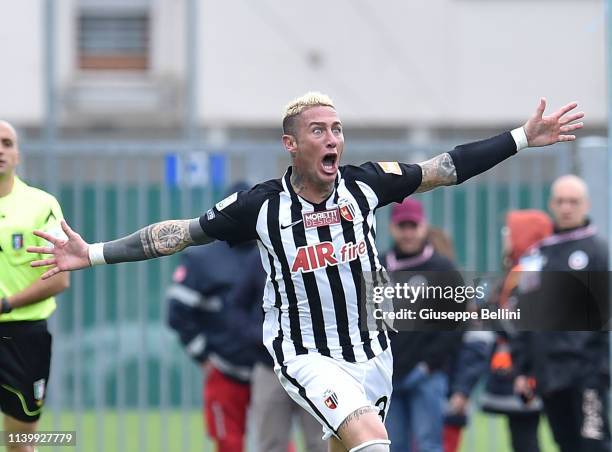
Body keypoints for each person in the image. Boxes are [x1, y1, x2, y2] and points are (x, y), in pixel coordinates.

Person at [27, 93, 583, 452]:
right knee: (373, 441)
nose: (333, 138)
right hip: (304, 353)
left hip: (371, 353)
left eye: (337, 128)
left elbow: (446, 168)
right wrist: (92, 253)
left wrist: (519, 139)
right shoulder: (261, 207)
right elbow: (177, 234)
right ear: (291, 144)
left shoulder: (367, 184)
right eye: (319, 130)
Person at [512, 175, 610, 452]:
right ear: (551, 204)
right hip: (549, 373)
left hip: (587, 373)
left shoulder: (597, 251)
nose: (567, 207)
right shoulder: (536, 255)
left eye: (574, 202)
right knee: (565, 443)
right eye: (561, 201)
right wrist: (523, 368)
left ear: (586, 205)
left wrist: (598, 368)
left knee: (594, 443)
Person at [165, 182, 258, 452]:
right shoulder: (204, 260)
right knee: (229, 444)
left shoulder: (273, 253)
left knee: (275, 444)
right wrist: (204, 357)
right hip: (225, 369)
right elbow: (177, 312)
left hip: (270, 371)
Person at [0, 120, 70, 452]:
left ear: (18, 155)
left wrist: (7, 303)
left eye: (7, 143)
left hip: (23, 335)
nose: (0, 149)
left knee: (20, 439)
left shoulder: (41, 206)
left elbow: (60, 276)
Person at [381, 199, 463, 452]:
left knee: (429, 446)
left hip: (427, 375)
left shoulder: (442, 268)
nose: (408, 233)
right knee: (392, 447)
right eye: (402, 226)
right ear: (392, 228)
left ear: (424, 226)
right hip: (387, 378)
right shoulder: (379, 265)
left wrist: (429, 365)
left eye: (413, 226)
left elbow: (456, 323)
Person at [226, 250, 326, 452]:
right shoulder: (261, 257)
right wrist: (259, 335)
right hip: (270, 366)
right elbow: (235, 308)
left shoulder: (322, 251)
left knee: (321, 444)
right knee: (270, 444)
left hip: (317, 366)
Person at [478, 210, 553, 452]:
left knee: (526, 438)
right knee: (521, 436)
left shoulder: (529, 273)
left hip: (526, 369)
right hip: (516, 367)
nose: (505, 237)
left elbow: (520, 322)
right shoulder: (518, 270)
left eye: (510, 231)